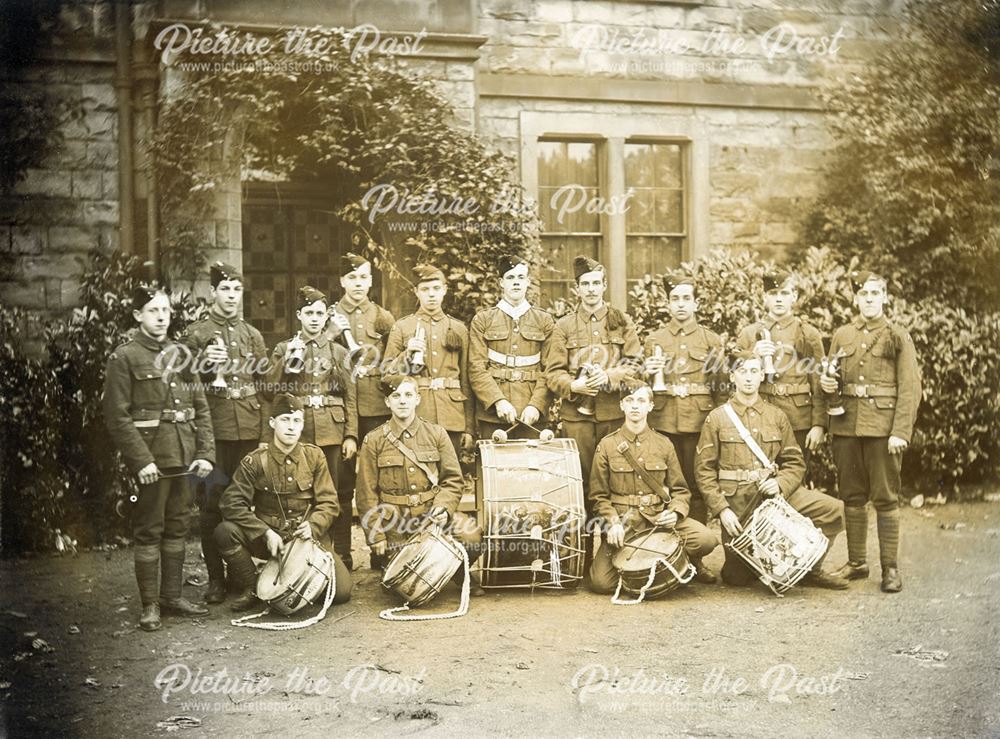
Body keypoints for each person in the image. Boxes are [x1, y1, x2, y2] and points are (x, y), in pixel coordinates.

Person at [102, 286, 215, 631]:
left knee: (179, 526)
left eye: (165, 309)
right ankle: (150, 604)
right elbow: (117, 417)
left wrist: (206, 453)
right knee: (149, 529)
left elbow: (201, 408)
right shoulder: (125, 358)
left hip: (183, 457)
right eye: (153, 310)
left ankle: (171, 597)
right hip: (153, 462)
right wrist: (141, 461)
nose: (162, 316)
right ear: (138, 316)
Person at [695, 355, 848, 589]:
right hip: (739, 504)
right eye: (742, 371)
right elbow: (704, 471)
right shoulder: (717, 418)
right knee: (737, 578)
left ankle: (811, 569)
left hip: (774, 497)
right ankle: (768, 562)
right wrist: (722, 510)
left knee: (833, 510)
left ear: (761, 376)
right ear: (733, 377)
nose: (748, 377)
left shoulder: (776, 416)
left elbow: (795, 462)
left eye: (754, 371)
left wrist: (781, 484)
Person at [821, 270, 921, 593]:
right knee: (851, 495)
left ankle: (890, 568)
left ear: (885, 298)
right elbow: (831, 379)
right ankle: (857, 562)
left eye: (875, 294)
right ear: (855, 298)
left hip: (882, 429)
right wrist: (826, 387)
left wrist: (900, 431)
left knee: (886, 497)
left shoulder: (897, 335)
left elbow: (910, 388)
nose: (869, 300)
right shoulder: (842, 335)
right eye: (863, 294)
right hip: (847, 426)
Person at [545, 255, 642, 575]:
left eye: (595, 283)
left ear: (604, 286)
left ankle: (624, 553)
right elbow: (552, 373)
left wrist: (610, 377)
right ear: (576, 289)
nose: (590, 290)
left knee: (618, 481)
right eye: (584, 284)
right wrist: (575, 385)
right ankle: (583, 559)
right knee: (583, 485)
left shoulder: (621, 321)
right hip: (579, 420)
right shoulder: (563, 326)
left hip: (615, 416)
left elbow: (636, 366)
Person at [214, 394, 352, 611]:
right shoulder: (255, 460)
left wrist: (314, 526)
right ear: (272, 423)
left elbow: (329, 502)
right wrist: (264, 532)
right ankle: (253, 586)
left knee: (340, 593)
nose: (290, 427)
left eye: (296, 421)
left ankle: (290, 575)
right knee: (225, 531)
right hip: (269, 540)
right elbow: (231, 503)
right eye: (284, 420)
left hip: (306, 538)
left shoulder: (314, 456)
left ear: (302, 425)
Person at [180, 261, 268, 603]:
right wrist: (203, 362)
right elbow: (182, 384)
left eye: (236, 290)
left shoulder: (252, 335)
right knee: (211, 507)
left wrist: (263, 434)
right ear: (213, 292)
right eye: (225, 290)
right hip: (213, 434)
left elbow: (263, 388)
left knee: (244, 505)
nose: (231, 296)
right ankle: (215, 580)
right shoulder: (196, 334)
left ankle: (240, 574)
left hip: (247, 429)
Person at [355, 376, 484, 594]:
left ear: (418, 399)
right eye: (396, 396)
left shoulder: (436, 434)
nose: (402, 401)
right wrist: (376, 534)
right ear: (387, 402)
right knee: (403, 586)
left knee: (472, 537)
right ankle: (409, 566)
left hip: (431, 516)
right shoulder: (373, 440)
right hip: (395, 523)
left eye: (408, 395)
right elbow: (366, 494)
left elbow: (453, 480)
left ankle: (455, 570)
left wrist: (443, 508)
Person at [588, 384, 720, 594]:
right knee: (601, 584)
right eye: (629, 400)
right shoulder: (607, 445)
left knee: (707, 540)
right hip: (625, 526)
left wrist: (675, 513)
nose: (635, 406)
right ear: (622, 405)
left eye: (641, 401)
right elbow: (598, 496)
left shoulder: (664, 444)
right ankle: (653, 569)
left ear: (650, 406)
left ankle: (676, 559)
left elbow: (680, 491)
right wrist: (612, 523)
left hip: (659, 521)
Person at [265, 286, 359, 569]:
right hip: (300, 431)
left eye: (320, 313)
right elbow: (269, 389)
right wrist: (286, 360)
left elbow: (350, 397)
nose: (315, 319)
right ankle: (304, 555)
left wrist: (351, 435)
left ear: (327, 315)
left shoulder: (338, 350)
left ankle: (341, 554)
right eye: (309, 313)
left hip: (332, 430)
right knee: (304, 493)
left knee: (338, 493)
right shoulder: (285, 348)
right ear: (299, 315)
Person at [325, 252, 395, 569]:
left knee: (379, 482)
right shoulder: (326, 316)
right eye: (352, 277)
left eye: (363, 277)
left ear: (371, 280)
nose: (358, 283)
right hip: (340, 411)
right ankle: (341, 552)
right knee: (341, 485)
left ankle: (381, 549)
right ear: (342, 281)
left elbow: (394, 363)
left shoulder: (382, 317)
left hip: (376, 407)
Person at [642, 275, 727, 526]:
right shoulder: (654, 340)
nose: (680, 304)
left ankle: (696, 556)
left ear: (696, 304)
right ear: (667, 304)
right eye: (675, 299)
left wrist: (720, 427)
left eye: (686, 299)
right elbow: (643, 390)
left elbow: (721, 388)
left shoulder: (710, 340)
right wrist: (647, 372)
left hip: (699, 425)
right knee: (664, 485)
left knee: (696, 484)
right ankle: (670, 553)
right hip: (663, 421)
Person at [735, 269, 826, 471]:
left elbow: (818, 383)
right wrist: (753, 355)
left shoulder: (808, 333)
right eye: (773, 294)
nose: (779, 299)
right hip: (758, 414)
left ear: (794, 296)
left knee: (794, 477)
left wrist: (818, 424)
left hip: (798, 418)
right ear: (765, 297)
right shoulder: (749, 334)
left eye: (784, 293)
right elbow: (734, 378)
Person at [383, 264, 475, 462]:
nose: (431, 294)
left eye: (436, 288)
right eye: (425, 290)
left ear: (444, 289)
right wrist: (407, 355)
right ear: (416, 292)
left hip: (452, 416)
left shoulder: (458, 329)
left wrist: (469, 427)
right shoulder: (402, 327)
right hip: (415, 413)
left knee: (450, 475)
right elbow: (387, 375)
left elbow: (467, 380)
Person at [469, 255, 555, 441]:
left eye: (520, 277)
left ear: (528, 282)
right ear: (501, 283)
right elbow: (476, 369)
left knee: (532, 468)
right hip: (493, 417)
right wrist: (497, 401)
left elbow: (550, 370)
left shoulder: (544, 321)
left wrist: (536, 405)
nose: (516, 283)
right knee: (493, 467)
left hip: (532, 416)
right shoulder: (483, 320)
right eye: (510, 278)